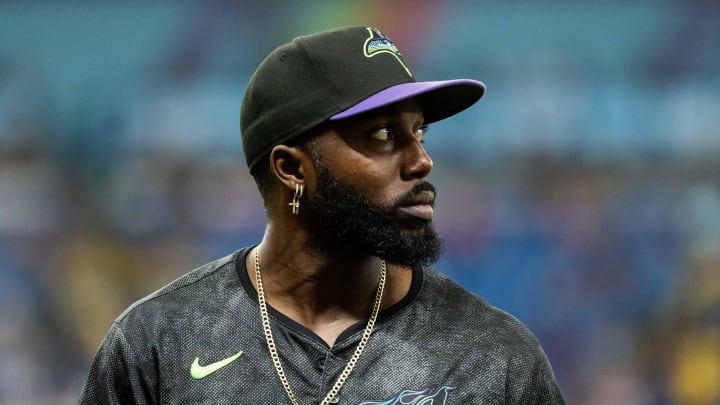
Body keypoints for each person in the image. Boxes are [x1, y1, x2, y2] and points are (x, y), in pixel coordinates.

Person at [79, 25, 566, 404]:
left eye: (419, 131)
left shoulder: (493, 356)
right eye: (381, 135)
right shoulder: (158, 344)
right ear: (292, 168)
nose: (421, 161)